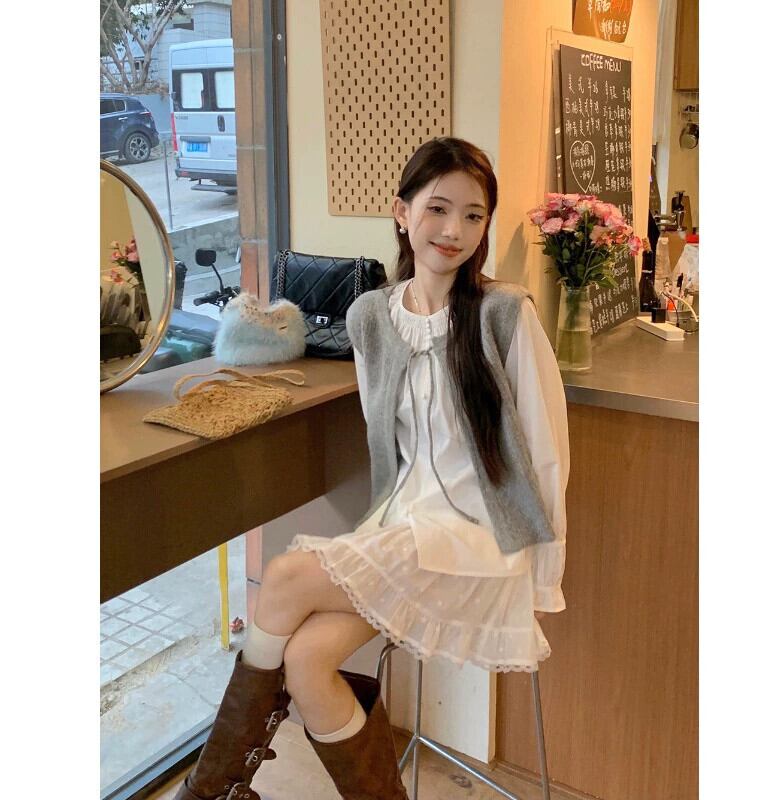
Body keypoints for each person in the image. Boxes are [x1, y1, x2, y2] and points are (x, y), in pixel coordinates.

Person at [176, 137, 569, 800]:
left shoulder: (506, 314)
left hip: (482, 541)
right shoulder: (370, 317)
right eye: (438, 208)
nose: (454, 230)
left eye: (473, 215)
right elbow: (387, 439)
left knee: (285, 575)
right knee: (306, 663)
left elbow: (550, 452)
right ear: (401, 212)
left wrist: (544, 576)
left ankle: (208, 791)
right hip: (405, 531)